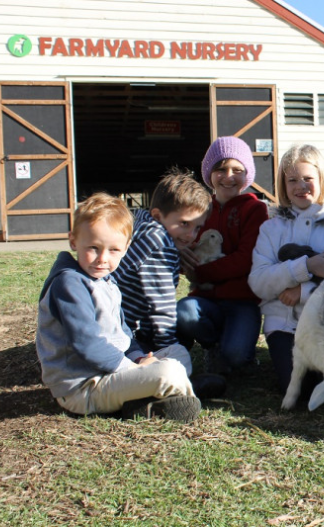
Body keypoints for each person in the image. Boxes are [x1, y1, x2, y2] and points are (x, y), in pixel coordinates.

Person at [36, 193, 200, 422]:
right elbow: (87, 344)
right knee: (169, 371)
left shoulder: (105, 280)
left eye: (113, 250)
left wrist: (139, 358)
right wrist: (133, 370)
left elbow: (122, 333)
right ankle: (182, 391)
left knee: (177, 352)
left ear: (126, 247)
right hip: (82, 386)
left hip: (110, 372)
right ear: (73, 241)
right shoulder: (69, 284)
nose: (103, 258)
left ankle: (156, 395)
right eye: (93, 247)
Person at [248, 144, 324, 394]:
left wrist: (303, 291)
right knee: (298, 388)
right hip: (283, 324)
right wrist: (303, 267)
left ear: (322, 179)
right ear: (284, 185)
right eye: (292, 180)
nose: (300, 186)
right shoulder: (271, 229)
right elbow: (258, 281)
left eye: (307, 178)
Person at [111, 168, 225, 398]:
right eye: (184, 224)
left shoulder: (144, 227)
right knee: (179, 356)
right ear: (157, 216)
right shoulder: (160, 246)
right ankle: (172, 388)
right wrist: (167, 347)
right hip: (119, 330)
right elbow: (161, 306)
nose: (191, 235)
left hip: (121, 323)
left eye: (197, 227)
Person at [176, 136, 269, 379]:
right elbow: (187, 246)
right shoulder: (199, 210)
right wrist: (180, 257)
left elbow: (245, 259)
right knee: (184, 312)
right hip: (205, 298)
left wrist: (199, 271)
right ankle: (213, 345)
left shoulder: (255, 210)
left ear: (246, 174)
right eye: (221, 169)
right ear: (209, 173)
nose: (228, 176)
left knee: (237, 356)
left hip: (242, 301)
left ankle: (238, 348)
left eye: (237, 170)